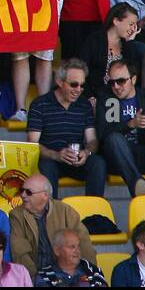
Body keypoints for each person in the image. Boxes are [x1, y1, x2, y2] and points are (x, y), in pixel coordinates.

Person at [27, 58, 106, 197]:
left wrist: (86, 153)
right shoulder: (40, 104)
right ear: (59, 82)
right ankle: (51, 212)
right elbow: (32, 144)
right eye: (74, 85)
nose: (79, 90)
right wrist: (56, 155)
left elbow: (92, 140)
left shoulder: (84, 104)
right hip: (51, 160)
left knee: (98, 163)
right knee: (46, 165)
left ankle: (95, 211)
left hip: (77, 160)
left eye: (82, 85)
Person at [96, 58, 145, 197]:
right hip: (119, 157)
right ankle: (138, 186)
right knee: (113, 139)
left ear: (133, 79)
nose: (115, 86)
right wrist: (130, 124)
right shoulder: (107, 99)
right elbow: (103, 135)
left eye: (120, 81)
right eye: (111, 82)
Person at [8, 175, 96, 279]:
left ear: (45, 195)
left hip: (67, 273)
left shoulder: (65, 211)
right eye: (21, 190)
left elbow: (84, 245)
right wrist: (36, 278)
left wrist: (89, 274)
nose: (22, 195)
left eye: (28, 192)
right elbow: (20, 253)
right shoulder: (17, 215)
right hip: (35, 276)